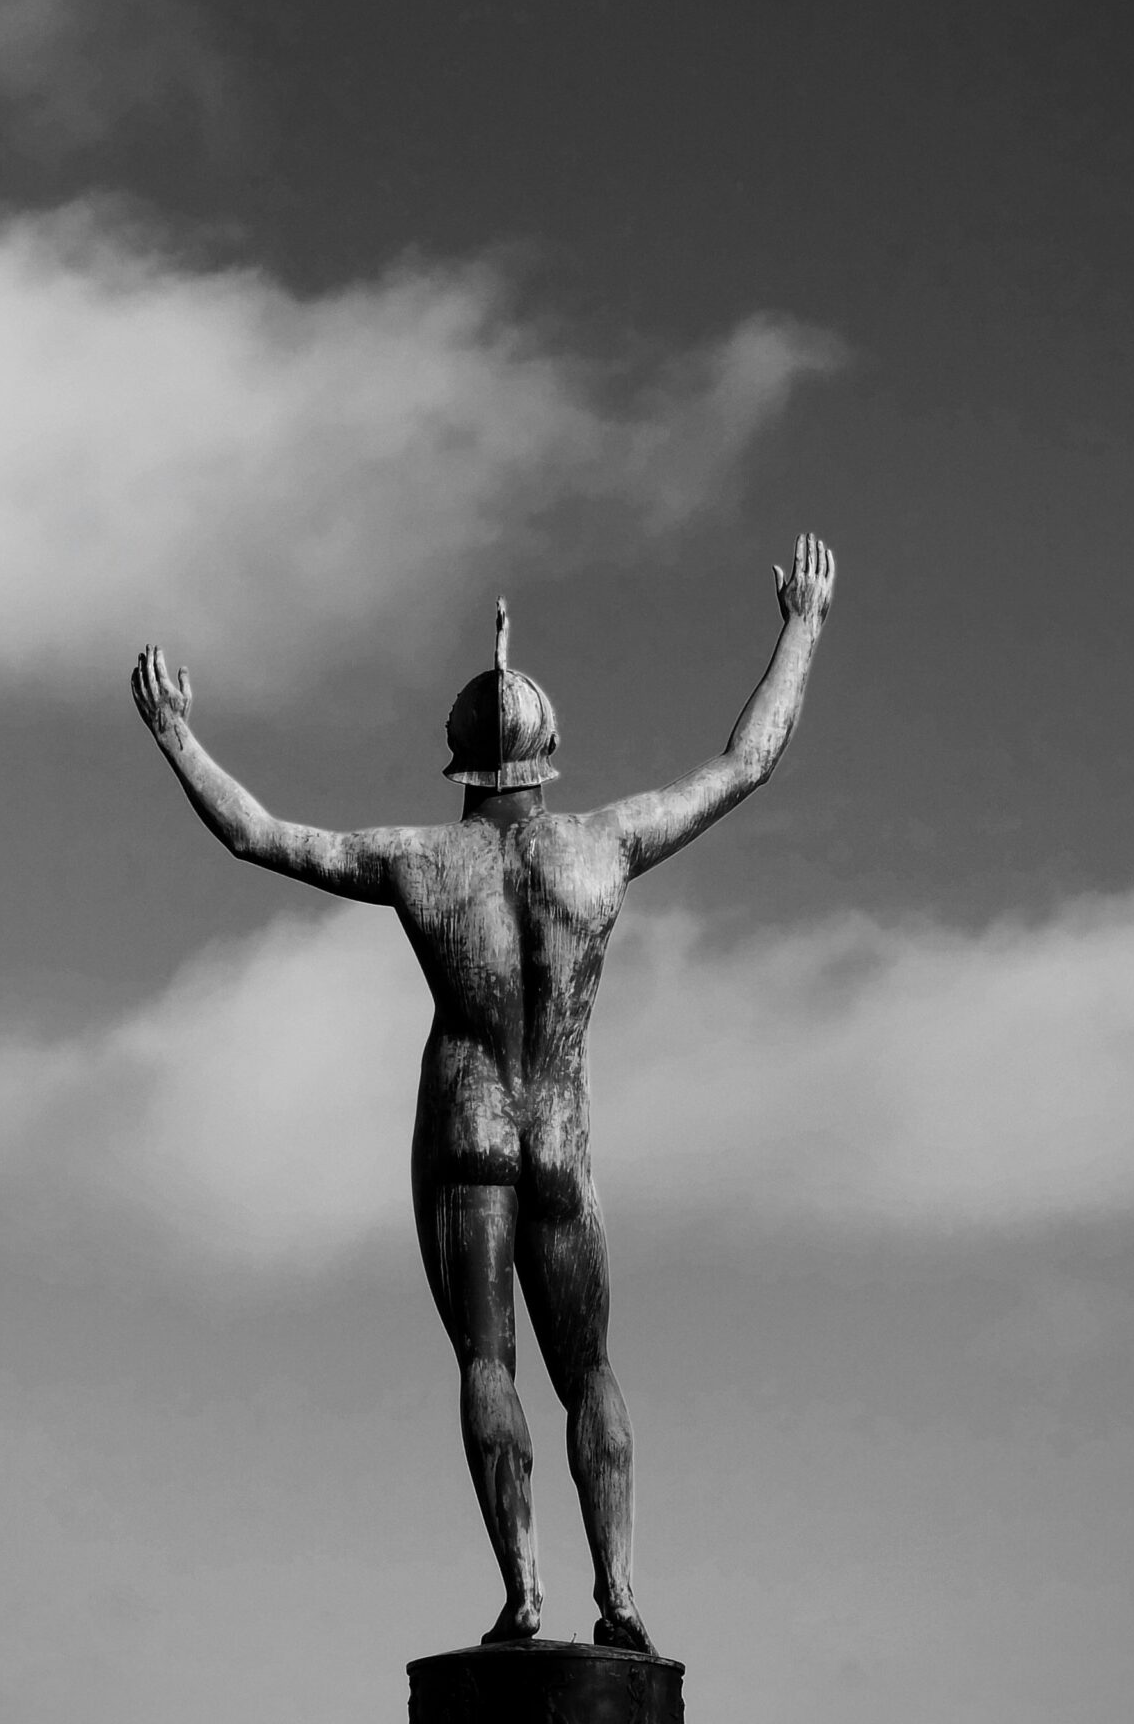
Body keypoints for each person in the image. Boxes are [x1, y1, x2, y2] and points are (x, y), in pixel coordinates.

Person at [130, 534, 836, 1652]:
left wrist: (178, 737)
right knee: (591, 1368)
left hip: (462, 1131)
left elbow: (255, 833)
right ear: (550, 754)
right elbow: (746, 763)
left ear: (454, 759)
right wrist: (799, 625)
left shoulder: (417, 861)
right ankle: (619, 1597)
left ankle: (525, 1595)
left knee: (486, 1363)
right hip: (558, 1134)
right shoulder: (603, 847)